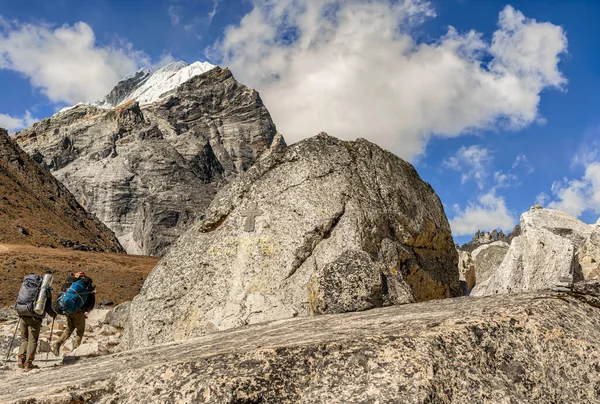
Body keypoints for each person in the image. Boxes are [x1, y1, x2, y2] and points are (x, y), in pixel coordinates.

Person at [17, 275, 57, 370]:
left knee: (24, 339)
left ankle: (20, 358)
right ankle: (28, 363)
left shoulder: (27, 285)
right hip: (34, 318)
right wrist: (54, 315)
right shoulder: (44, 290)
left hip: (23, 314)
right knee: (33, 340)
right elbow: (47, 307)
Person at [52, 272, 95, 356]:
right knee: (80, 331)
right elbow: (90, 304)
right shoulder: (86, 286)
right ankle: (75, 350)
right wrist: (85, 311)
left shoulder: (71, 284)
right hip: (78, 311)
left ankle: (58, 343)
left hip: (67, 309)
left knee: (69, 329)